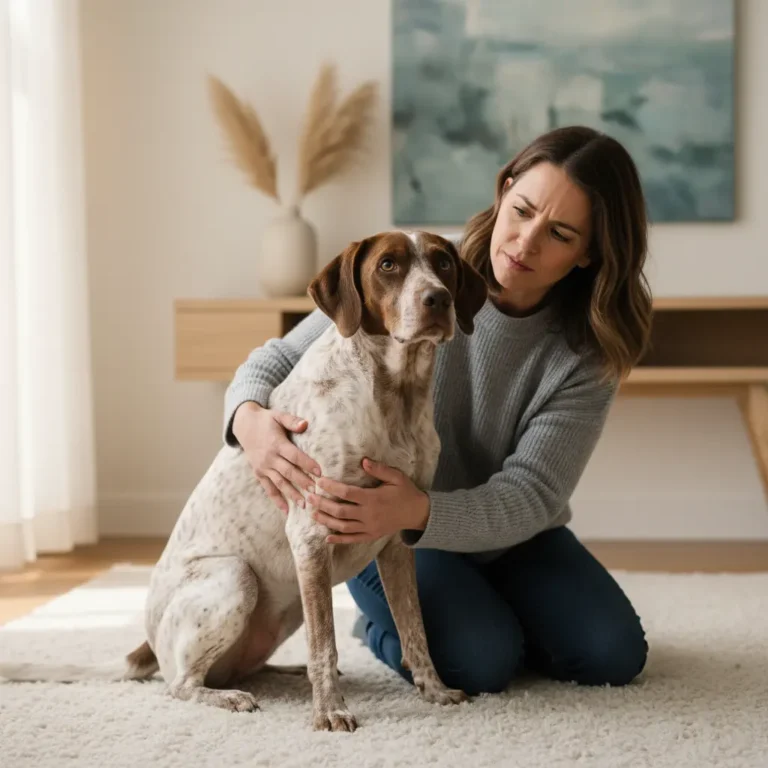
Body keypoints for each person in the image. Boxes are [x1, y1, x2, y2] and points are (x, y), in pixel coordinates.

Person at [223, 125, 653, 696]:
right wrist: (247, 420)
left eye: (559, 233)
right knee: (480, 663)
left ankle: (492, 617)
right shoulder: (420, 266)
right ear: (504, 190)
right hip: (383, 531)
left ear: (589, 252)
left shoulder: (587, 350)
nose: (525, 243)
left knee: (613, 655)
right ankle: (385, 629)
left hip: (505, 532)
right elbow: (279, 358)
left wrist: (420, 508)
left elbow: (532, 495)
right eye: (522, 211)